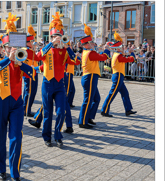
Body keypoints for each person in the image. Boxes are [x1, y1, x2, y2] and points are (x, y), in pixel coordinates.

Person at [0, 14, 36, 181]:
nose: (14, 50)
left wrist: (20, 63)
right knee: (0, 137)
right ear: (4, 48)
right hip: (0, 101)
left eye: (16, 47)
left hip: (16, 103)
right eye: (10, 47)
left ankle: (15, 173)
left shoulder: (21, 61)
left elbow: (33, 73)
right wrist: (9, 59)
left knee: (16, 137)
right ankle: (1, 168)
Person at [36, 12, 76, 147]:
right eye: (55, 36)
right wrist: (50, 44)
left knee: (61, 112)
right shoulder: (47, 50)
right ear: (51, 37)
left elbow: (75, 61)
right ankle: (46, 137)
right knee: (47, 113)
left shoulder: (65, 51)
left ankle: (58, 135)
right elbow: (37, 57)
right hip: (47, 83)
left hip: (60, 84)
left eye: (59, 36)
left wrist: (68, 47)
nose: (58, 39)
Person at [78, 24, 110, 129]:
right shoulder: (90, 53)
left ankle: (89, 117)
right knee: (88, 100)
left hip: (90, 77)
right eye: (91, 43)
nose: (93, 44)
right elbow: (103, 57)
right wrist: (106, 49)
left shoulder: (88, 52)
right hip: (90, 77)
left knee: (96, 98)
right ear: (87, 44)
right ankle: (82, 121)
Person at [101, 32, 137, 117]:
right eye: (121, 47)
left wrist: (128, 52)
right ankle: (104, 110)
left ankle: (128, 109)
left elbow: (126, 56)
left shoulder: (117, 54)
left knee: (125, 93)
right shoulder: (118, 56)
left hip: (119, 76)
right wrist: (132, 52)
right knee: (112, 94)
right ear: (118, 48)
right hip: (118, 76)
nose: (123, 48)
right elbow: (131, 59)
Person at [22, 25, 41, 117]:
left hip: (32, 73)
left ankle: (26, 109)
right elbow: (38, 58)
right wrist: (37, 49)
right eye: (32, 41)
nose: (34, 43)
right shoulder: (28, 51)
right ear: (28, 42)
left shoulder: (29, 50)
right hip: (29, 74)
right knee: (29, 92)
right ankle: (26, 110)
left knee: (30, 92)